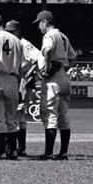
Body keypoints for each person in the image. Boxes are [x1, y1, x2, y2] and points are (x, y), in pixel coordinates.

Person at [33, 10, 77, 161]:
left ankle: (49, 153)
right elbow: (73, 57)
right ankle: (63, 153)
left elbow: (48, 49)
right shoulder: (63, 36)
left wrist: (47, 66)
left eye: (40, 23)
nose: (39, 26)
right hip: (64, 76)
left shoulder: (49, 35)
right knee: (63, 116)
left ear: (45, 22)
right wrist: (64, 68)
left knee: (50, 114)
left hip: (53, 79)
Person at [0, 13, 25, 160]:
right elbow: (22, 67)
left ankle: (1, 151)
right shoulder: (17, 41)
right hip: (13, 79)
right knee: (12, 118)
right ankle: (13, 151)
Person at [5, 20, 41, 157]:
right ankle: (16, 147)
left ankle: (20, 148)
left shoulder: (24, 44)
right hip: (14, 79)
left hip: (22, 81)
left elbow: (39, 58)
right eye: (8, 31)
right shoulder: (10, 42)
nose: (9, 34)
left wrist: (30, 73)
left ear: (18, 31)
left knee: (18, 114)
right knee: (15, 114)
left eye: (12, 31)